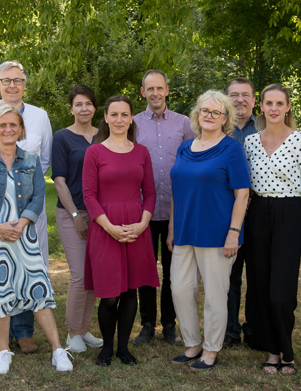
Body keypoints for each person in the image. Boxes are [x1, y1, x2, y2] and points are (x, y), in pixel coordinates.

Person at [0, 105, 73, 374]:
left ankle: (58, 350)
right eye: (2, 125)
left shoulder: (31, 161)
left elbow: (37, 197)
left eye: (13, 125)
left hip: (24, 235)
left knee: (38, 289)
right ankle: (3, 351)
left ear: (21, 129)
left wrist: (22, 224)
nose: (8, 129)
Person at [0, 60, 53, 355]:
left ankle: (25, 332)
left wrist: (25, 213)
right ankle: (0, 337)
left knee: (28, 268)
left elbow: (45, 160)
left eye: (18, 80)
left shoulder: (41, 117)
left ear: (25, 84)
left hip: (27, 210)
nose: (12, 85)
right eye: (6, 80)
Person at [168, 90, 251, 371]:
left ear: (225, 118)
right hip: (184, 232)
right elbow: (176, 194)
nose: (210, 116)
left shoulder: (232, 149)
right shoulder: (185, 148)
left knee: (216, 296)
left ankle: (211, 349)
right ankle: (192, 344)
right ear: (197, 114)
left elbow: (242, 195)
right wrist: (171, 229)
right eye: (205, 110)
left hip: (217, 234)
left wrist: (233, 232)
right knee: (179, 290)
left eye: (216, 112)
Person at [243, 84, 301, 374]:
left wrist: (299, 221)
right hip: (258, 211)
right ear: (260, 106)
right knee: (260, 285)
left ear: (287, 107)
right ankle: (272, 351)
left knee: (280, 291)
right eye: (268, 103)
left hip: (289, 212)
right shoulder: (249, 142)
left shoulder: (300, 139)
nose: (273, 108)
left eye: (279, 103)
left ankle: (288, 351)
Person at [82, 95, 159, 366]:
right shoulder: (95, 152)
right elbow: (89, 196)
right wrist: (110, 228)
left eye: (124, 114)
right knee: (110, 294)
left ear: (131, 118)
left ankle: (124, 348)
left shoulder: (141, 152)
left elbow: (150, 192)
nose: (119, 120)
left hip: (136, 227)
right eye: (113, 114)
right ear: (105, 117)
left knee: (130, 291)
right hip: (106, 227)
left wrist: (142, 223)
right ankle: (106, 348)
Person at [132, 69, 194, 346]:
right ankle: (147, 324)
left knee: (173, 271)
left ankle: (170, 325)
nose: (155, 93)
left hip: (175, 211)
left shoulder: (184, 124)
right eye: (150, 89)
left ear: (167, 90)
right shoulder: (132, 123)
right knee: (145, 269)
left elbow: (193, 162)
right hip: (141, 211)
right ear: (143, 92)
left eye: (160, 88)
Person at [51, 85, 103, 353]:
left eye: (89, 104)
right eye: (79, 104)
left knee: (93, 275)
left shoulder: (103, 135)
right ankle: (72, 332)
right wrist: (74, 216)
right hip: (72, 212)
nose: (84, 109)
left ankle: (84, 330)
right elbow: (59, 180)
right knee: (80, 275)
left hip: (100, 214)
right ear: (71, 109)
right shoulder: (62, 137)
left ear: (95, 107)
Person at [223, 77, 259, 349]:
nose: (240, 100)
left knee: (257, 274)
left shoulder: (266, 126)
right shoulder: (219, 129)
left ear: (254, 99)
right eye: (234, 95)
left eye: (245, 95)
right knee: (230, 274)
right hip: (228, 210)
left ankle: (254, 328)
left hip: (259, 209)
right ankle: (230, 330)